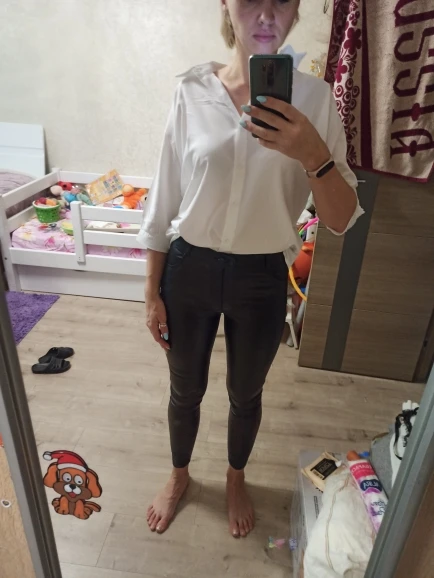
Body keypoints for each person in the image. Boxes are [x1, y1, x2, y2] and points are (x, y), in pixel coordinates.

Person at [138, 0, 363, 538]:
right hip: (189, 269)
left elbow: (340, 220)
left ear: (296, 9)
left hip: (262, 276)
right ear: (226, 4)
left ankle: (235, 477)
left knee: (246, 394)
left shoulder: (316, 101)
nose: (266, 14)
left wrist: (312, 153)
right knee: (184, 388)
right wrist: (151, 291)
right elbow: (164, 198)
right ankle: (179, 474)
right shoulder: (192, 91)